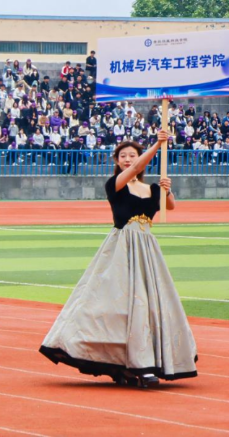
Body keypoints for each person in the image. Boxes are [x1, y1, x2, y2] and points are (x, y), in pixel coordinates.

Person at [40, 130, 198, 387]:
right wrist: (158, 143)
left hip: (147, 249)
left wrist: (168, 191)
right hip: (122, 248)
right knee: (117, 304)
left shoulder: (152, 188)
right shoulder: (115, 185)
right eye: (123, 156)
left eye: (131, 155)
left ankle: (145, 361)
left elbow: (171, 207)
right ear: (117, 160)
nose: (128, 159)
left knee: (148, 304)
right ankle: (123, 362)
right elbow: (138, 167)